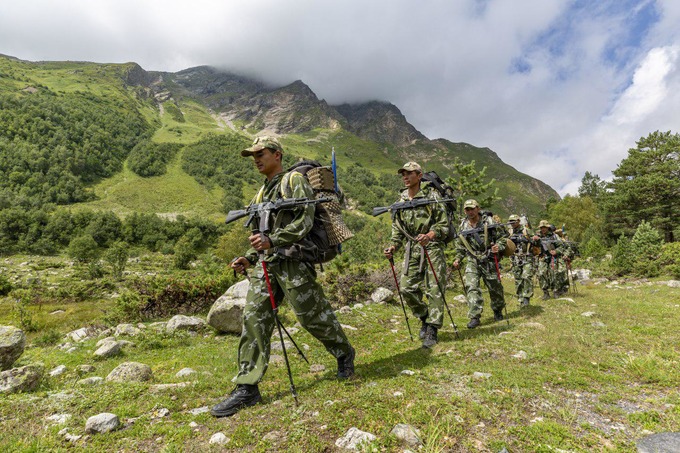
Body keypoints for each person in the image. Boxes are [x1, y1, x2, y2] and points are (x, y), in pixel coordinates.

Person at [211, 136, 355, 418]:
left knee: (311, 316)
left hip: (294, 261)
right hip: (266, 264)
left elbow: (304, 221)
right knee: (253, 320)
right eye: (253, 155)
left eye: (260, 153)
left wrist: (273, 241)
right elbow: (258, 236)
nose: (256, 159)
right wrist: (249, 257)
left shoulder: (293, 182)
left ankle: (344, 353)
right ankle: (247, 387)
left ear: (277, 154)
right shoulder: (260, 194)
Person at [383, 161, 449, 349]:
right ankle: (424, 317)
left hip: (432, 248)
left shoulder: (432, 196)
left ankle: (433, 330)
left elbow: (443, 225)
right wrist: (393, 246)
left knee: (434, 288)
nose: (405, 176)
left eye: (409, 173)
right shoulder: (401, 200)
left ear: (419, 175)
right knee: (406, 289)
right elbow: (398, 229)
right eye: (403, 173)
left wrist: (429, 235)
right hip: (412, 249)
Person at [452, 200, 508, 328]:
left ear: (478, 208)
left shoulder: (489, 222)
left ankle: (498, 310)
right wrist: (458, 259)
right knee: (471, 287)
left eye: (472, 209)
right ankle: (474, 316)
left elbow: (503, 236)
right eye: (467, 209)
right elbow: (460, 246)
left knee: (495, 287)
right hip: (472, 259)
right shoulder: (463, 226)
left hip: (488, 257)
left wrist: (498, 246)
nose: (470, 212)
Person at [533, 220, 567, 299]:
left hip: (553, 257)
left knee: (554, 273)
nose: (543, 229)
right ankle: (545, 293)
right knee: (541, 273)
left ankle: (556, 291)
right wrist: (535, 240)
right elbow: (534, 246)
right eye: (541, 227)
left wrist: (556, 251)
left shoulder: (554, 236)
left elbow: (562, 246)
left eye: (544, 227)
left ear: (548, 227)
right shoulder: (538, 235)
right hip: (543, 257)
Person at [507, 214, 535, 308]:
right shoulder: (509, 232)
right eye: (511, 221)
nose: (512, 223)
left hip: (526, 257)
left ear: (518, 221)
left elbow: (536, 241)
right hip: (515, 258)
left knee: (526, 276)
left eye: (514, 221)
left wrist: (527, 239)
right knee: (518, 279)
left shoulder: (526, 230)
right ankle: (521, 299)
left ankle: (526, 297)